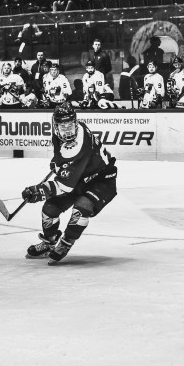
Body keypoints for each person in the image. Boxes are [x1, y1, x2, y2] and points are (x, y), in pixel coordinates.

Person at [22, 102, 117, 265]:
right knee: (49, 209)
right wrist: (57, 163)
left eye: (70, 125)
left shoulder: (79, 146)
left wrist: (39, 191)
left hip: (101, 180)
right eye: (63, 126)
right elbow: (61, 156)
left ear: (75, 122)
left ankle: (65, 243)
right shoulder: (58, 135)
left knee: (82, 207)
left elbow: (64, 186)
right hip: (80, 177)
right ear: (56, 126)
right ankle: (49, 243)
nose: (67, 130)